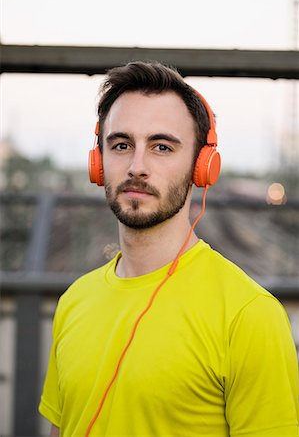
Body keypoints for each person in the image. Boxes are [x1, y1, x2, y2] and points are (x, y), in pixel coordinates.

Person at [39, 61, 299, 437]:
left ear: (202, 166)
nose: (137, 166)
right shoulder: (74, 300)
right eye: (121, 145)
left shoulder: (250, 316)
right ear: (98, 163)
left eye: (162, 147)